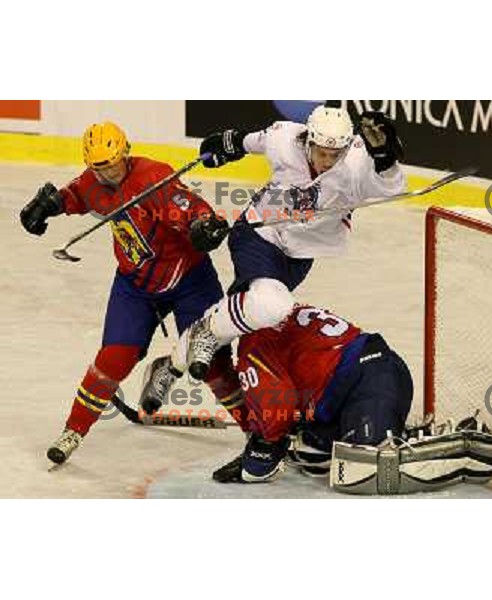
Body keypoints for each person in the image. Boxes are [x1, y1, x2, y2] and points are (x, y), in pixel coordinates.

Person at [141, 106, 407, 412]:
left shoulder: (358, 161)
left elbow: (393, 188)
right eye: (321, 153)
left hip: (300, 254)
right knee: (273, 307)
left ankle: (173, 362)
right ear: (308, 141)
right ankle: (202, 338)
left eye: (335, 155)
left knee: (257, 312)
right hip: (259, 232)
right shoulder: (285, 138)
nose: (327, 162)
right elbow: (249, 141)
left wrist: (385, 156)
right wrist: (226, 146)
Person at [20, 121, 235, 464]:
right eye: (98, 168)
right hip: (135, 285)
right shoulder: (94, 181)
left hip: (189, 279)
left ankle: (258, 433)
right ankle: (73, 430)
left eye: (112, 165)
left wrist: (203, 225)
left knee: (213, 363)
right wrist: (49, 205)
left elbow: (188, 206)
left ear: (126, 152)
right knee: (113, 360)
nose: (106, 174)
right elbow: (76, 193)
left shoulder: (153, 177)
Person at [175, 303, 414, 483]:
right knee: (309, 452)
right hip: (374, 376)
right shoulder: (278, 308)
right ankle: (397, 432)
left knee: (368, 469)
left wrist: (253, 466)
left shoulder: (255, 346)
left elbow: (275, 416)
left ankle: (404, 439)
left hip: (369, 382)